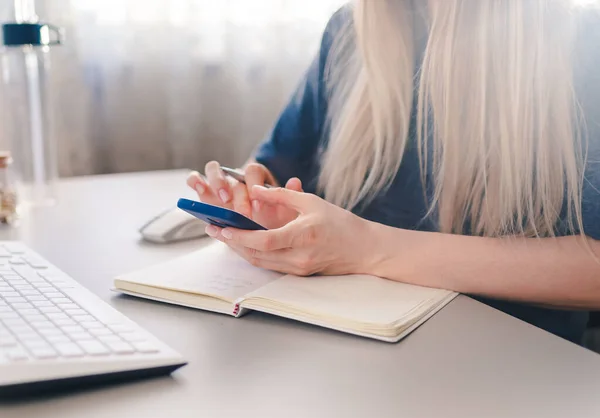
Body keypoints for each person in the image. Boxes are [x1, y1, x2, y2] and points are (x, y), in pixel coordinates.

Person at [187, 0, 600, 345]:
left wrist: (367, 248)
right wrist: (259, 205)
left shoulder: (582, 43)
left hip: (515, 372)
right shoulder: (348, 31)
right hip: (342, 344)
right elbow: (275, 171)